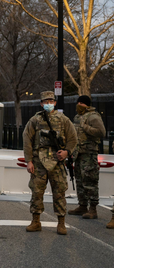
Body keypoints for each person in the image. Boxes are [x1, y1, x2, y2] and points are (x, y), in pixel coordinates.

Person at [22, 91, 77, 235]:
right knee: (37, 192)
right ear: (41, 104)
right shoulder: (35, 120)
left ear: (55, 102)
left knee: (59, 192)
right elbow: (27, 140)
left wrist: (66, 152)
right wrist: (29, 161)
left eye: (51, 101)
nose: (48, 104)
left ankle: (61, 223)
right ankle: (36, 221)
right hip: (39, 162)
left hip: (57, 162)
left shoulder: (63, 120)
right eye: (45, 102)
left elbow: (73, 138)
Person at [67, 95, 107, 219]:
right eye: (78, 102)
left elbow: (101, 132)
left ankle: (93, 209)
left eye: (82, 103)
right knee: (79, 181)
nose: (79, 105)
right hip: (78, 154)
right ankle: (82, 205)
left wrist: (86, 127)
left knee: (90, 181)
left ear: (87, 105)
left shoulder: (93, 117)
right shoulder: (77, 117)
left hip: (89, 154)